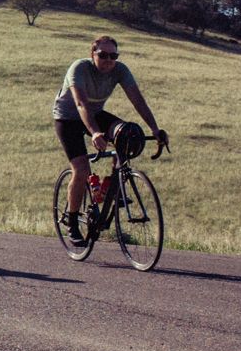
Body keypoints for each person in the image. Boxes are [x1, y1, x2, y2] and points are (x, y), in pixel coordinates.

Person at [53, 35, 167, 245]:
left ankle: (112, 188)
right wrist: (95, 132)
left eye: (113, 56)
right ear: (92, 55)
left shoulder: (120, 70)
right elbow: (80, 104)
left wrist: (154, 128)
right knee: (81, 170)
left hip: (95, 114)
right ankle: (72, 220)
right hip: (68, 118)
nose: (108, 60)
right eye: (103, 55)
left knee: (127, 133)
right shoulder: (79, 68)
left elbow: (138, 100)